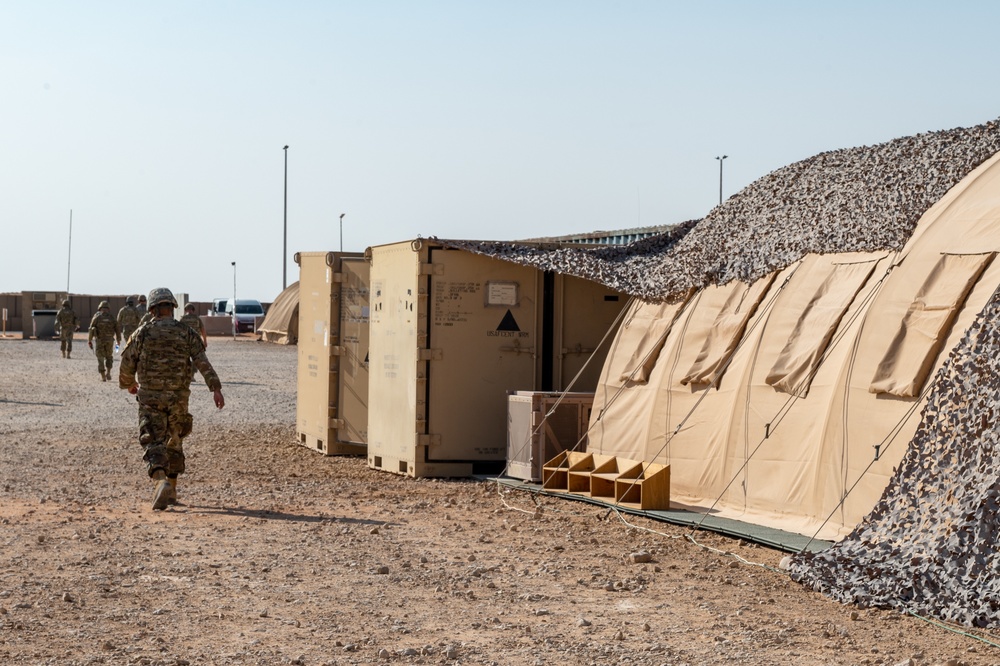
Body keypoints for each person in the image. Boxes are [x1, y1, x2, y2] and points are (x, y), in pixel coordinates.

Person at [119, 288, 225, 510]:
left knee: (152, 439)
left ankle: (160, 482)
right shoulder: (186, 332)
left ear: (152, 309)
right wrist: (215, 388)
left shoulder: (142, 332)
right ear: (171, 308)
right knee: (174, 441)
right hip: (178, 398)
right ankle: (173, 490)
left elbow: (127, 362)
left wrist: (129, 383)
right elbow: (201, 361)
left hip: (151, 397)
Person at [87, 301, 121, 381]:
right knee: (109, 356)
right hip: (110, 340)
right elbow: (117, 329)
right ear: (108, 309)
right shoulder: (112, 317)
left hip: (100, 340)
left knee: (100, 357)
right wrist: (118, 340)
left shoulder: (96, 317)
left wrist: (89, 340)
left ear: (100, 308)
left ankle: (103, 376)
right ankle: (108, 373)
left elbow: (91, 329)